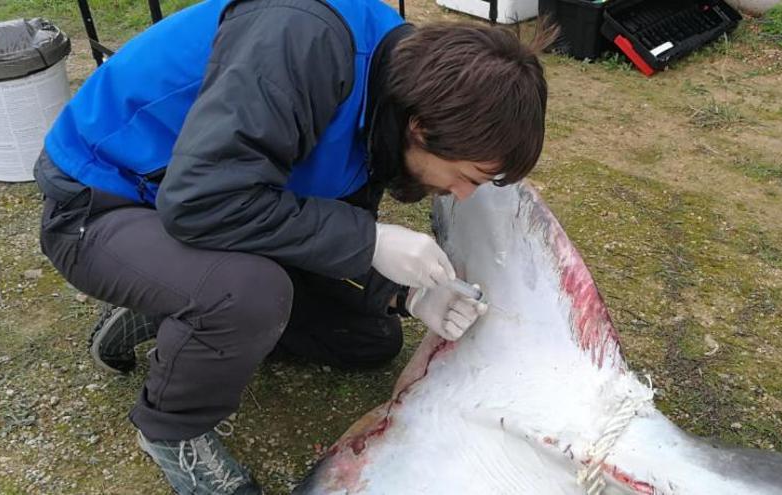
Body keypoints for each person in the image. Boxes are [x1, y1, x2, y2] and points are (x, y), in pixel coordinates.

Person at [35, 0, 552, 491]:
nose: (461, 195)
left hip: (215, 200)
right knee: (249, 294)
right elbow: (200, 202)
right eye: (466, 177)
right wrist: (369, 239)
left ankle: (169, 306)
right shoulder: (297, 42)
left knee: (367, 339)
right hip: (104, 199)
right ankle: (172, 430)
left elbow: (331, 214)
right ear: (421, 127)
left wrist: (404, 294)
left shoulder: (403, 84)